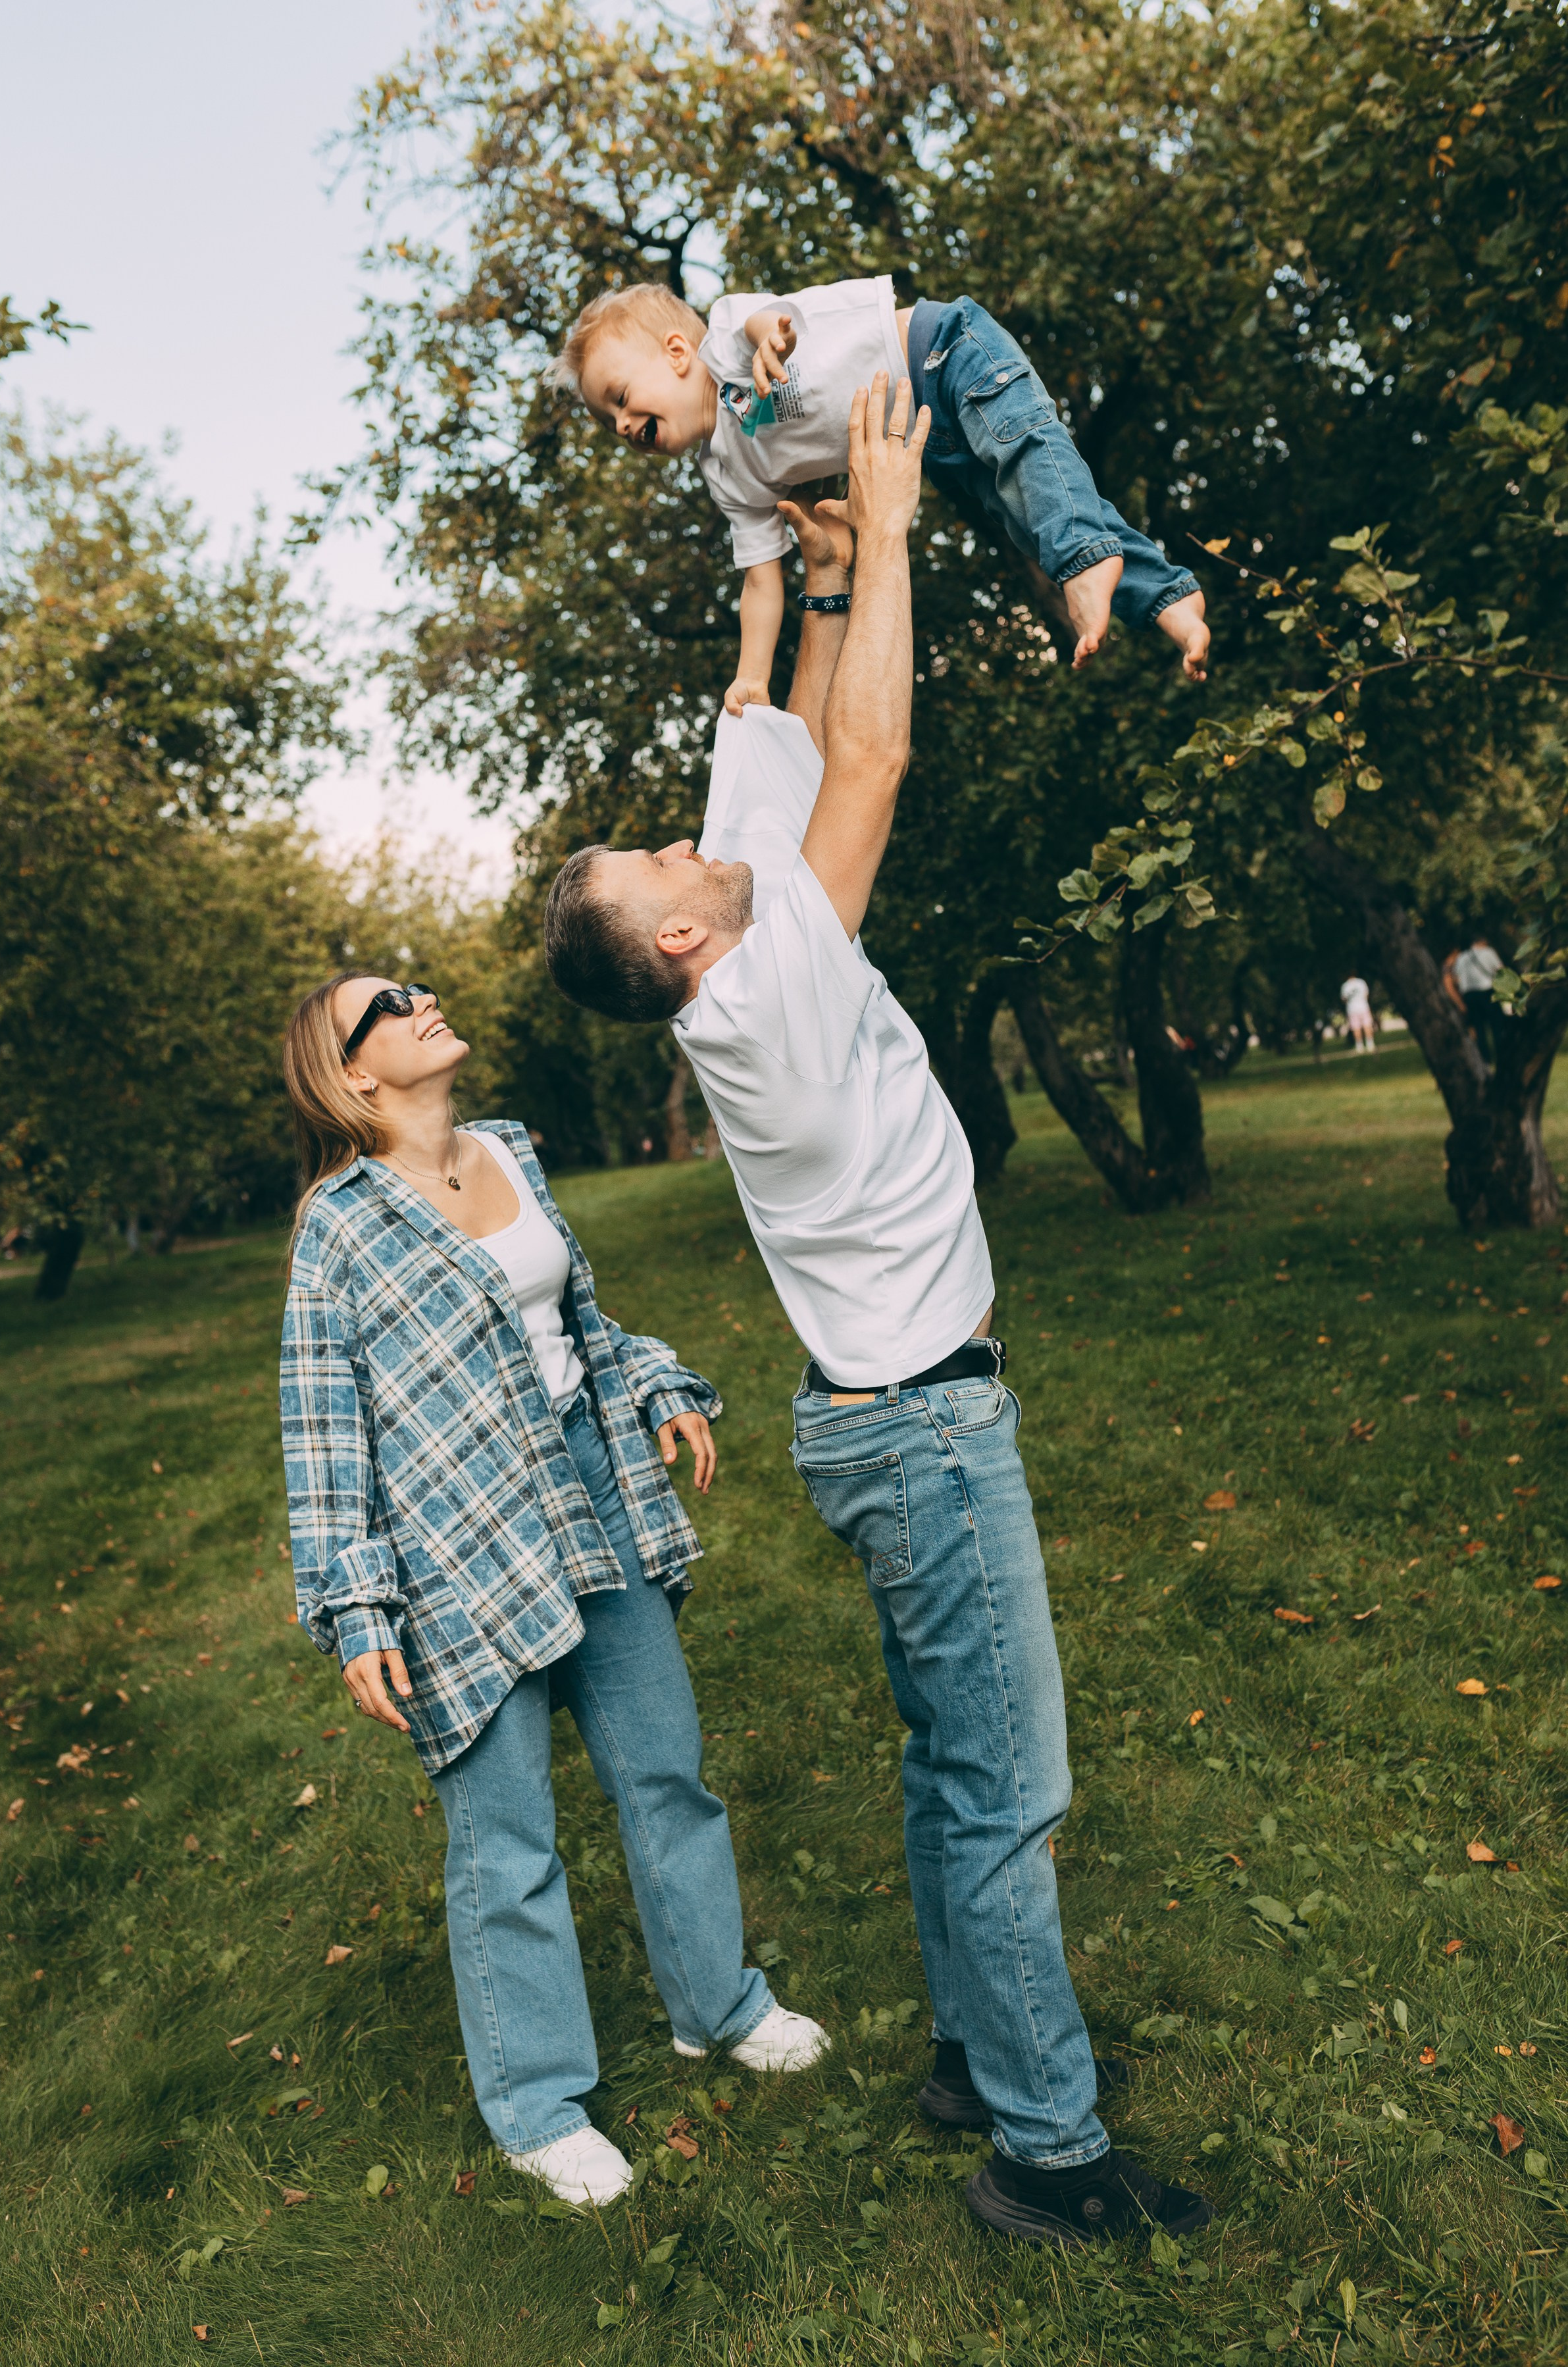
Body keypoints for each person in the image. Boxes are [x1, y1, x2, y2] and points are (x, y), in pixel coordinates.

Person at [542, 370, 1213, 2251]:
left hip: (880, 1417)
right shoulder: (759, 998)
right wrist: (904, 526)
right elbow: (875, 771)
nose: (681, 840)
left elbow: (805, 735)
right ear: (678, 939)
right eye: (655, 862)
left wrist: (824, 578)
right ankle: (1048, 2159)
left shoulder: (741, 935)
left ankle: (966, 2057)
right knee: (1005, 1788)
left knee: (944, 1760)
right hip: (916, 1425)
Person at [278, 975, 825, 2208]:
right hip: (453, 1544)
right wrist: (356, 1604)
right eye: (390, 1004)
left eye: (419, 987)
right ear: (352, 1071)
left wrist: (655, 1382)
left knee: (664, 1767)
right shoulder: (342, 1222)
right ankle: (535, 2102)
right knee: (505, 1832)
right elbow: (323, 1423)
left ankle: (717, 2003)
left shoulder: (511, 1149)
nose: (424, 1002)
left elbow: (581, 1324)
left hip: (589, 1486)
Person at [548, 278, 1209, 713]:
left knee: (1028, 452)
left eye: (620, 399)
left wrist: (770, 338)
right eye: (610, 426)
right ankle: (1169, 599)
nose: (624, 427)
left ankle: (1082, 564)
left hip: (944, 352)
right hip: (933, 434)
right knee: (1028, 510)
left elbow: (766, 317)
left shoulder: (724, 340)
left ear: (675, 353)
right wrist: (753, 676)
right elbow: (759, 580)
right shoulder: (729, 475)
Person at [1452, 936, 1504, 1064]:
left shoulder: (1462, 957)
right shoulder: (1488, 952)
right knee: (1497, 1026)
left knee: (1479, 1029)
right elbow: (1501, 970)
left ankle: (1485, 1058)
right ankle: (1502, 1054)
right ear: (1483, 942)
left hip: (1469, 995)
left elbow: (1456, 979)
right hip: (1487, 992)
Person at [1340, 974, 1376, 1053]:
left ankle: (1359, 1046)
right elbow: (1366, 995)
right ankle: (1370, 1044)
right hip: (1363, 1007)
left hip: (1352, 1009)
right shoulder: (1361, 982)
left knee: (1356, 1028)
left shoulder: (1345, 986)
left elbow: (1344, 999)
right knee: (1367, 1025)